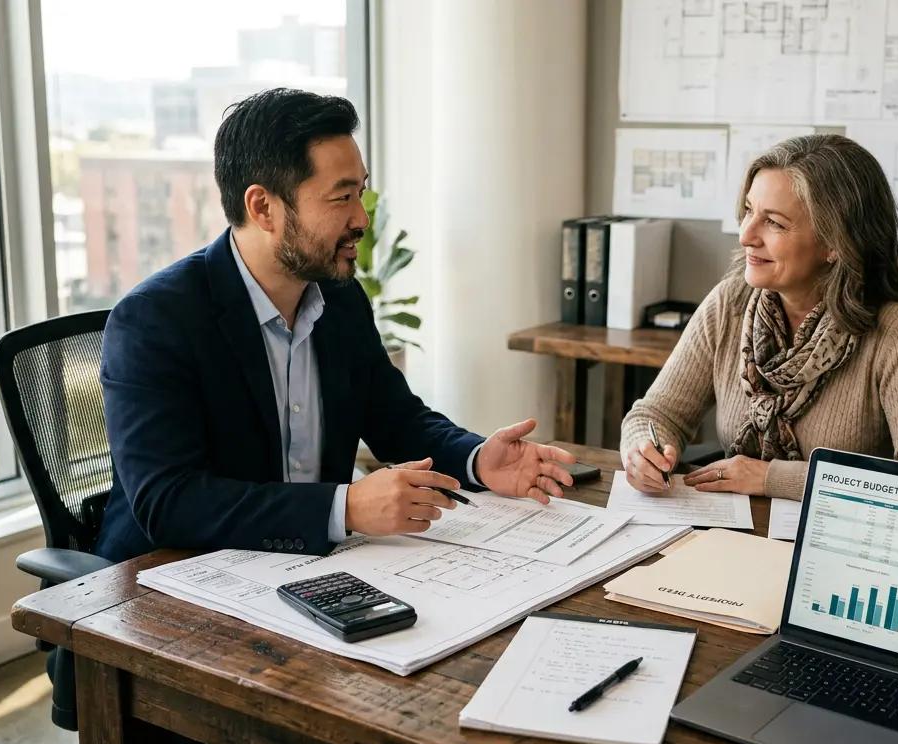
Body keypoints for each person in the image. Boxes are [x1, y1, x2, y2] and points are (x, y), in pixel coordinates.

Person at [95, 88, 577, 565]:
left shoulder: (339, 297)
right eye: (341, 197)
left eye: (360, 193)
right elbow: (169, 502)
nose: (361, 218)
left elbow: (396, 420)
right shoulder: (155, 320)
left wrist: (476, 460)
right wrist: (344, 507)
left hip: (304, 568)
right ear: (263, 208)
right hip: (164, 582)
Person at [620, 134, 898, 501]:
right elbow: (657, 414)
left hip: (846, 544)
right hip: (738, 535)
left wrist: (772, 478)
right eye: (749, 211)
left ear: (835, 243)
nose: (746, 235)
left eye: (774, 223)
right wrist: (643, 449)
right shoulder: (731, 302)